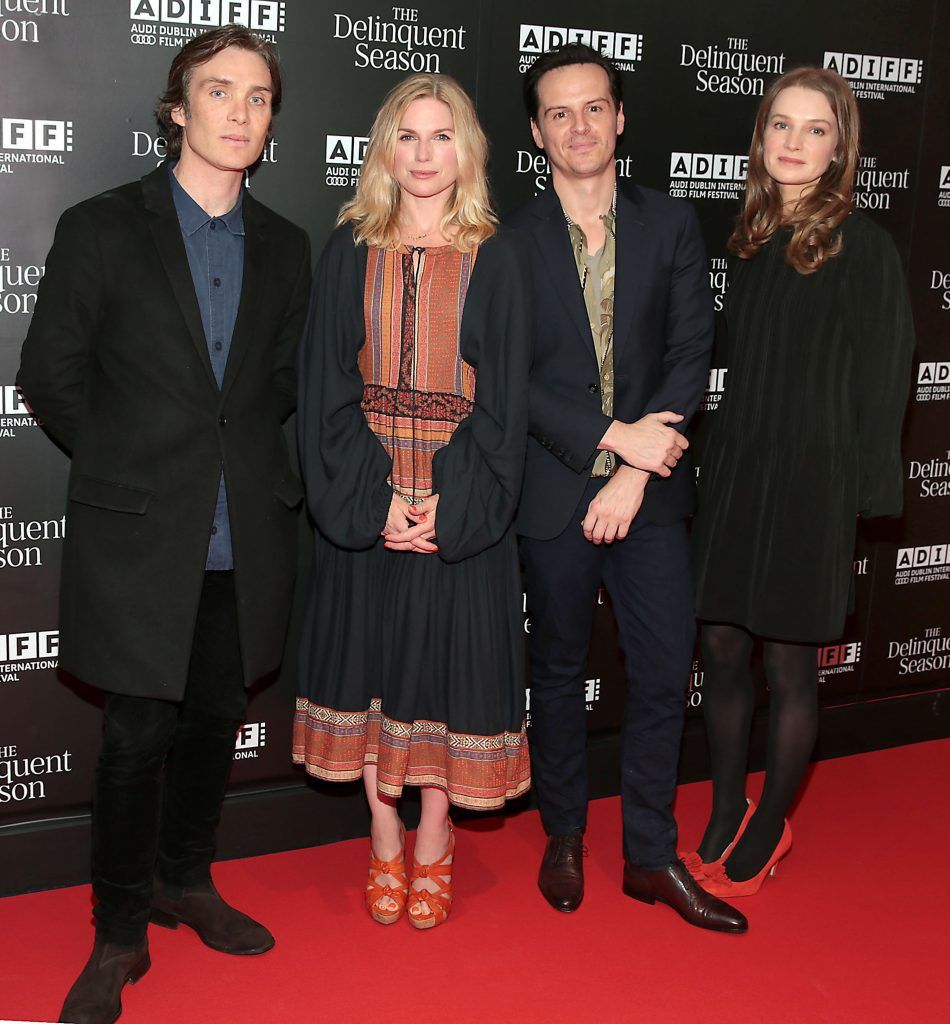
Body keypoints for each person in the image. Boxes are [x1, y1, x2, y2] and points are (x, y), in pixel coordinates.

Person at [17, 25, 311, 1023]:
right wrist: (132, 468)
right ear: (176, 108)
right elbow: (48, 377)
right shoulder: (104, 227)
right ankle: (118, 930)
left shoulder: (284, 245)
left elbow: (273, 389)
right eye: (218, 91)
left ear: (271, 121)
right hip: (140, 531)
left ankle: (187, 880)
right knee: (136, 734)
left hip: (247, 533)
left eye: (258, 96)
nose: (239, 111)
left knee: (215, 717)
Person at [506, 43, 746, 934]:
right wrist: (611, 443)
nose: (579, 125)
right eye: (558, 112)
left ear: (620, 117)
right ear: (536, 132)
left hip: (651, 497)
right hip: (554, 491)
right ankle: (563, 835)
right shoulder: (509, 239)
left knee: (658, 674)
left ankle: (650, 853)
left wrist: (638, 472)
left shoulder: (672, 224)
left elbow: (691, 354)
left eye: (594, 107)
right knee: (559, 672)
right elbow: (508, 377)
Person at [293, 73, 531, 930]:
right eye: (408, 136)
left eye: (441, 136)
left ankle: (435, 835)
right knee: (371, 670)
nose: (424, 154)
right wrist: (374, 501)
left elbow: (508, 405)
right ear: (383, 150)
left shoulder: (497, 256)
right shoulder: (348, 248)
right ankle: (382, 833)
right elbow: (322, 386)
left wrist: (447, 505)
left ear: (466, 149)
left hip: (462, 499)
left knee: (442, 674)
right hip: (366, 492)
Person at [685, 67, 914, 897]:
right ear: (761, 135)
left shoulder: (865, 243)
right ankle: (723, 806)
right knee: (720, 647)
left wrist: (860, 497)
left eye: (815, 129)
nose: (793, 142)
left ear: (840, 146)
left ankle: (772, 823)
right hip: (743, 466)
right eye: (780, 124)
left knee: (788, 665)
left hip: (814, 479)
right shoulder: (748, 238)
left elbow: (889, 377)